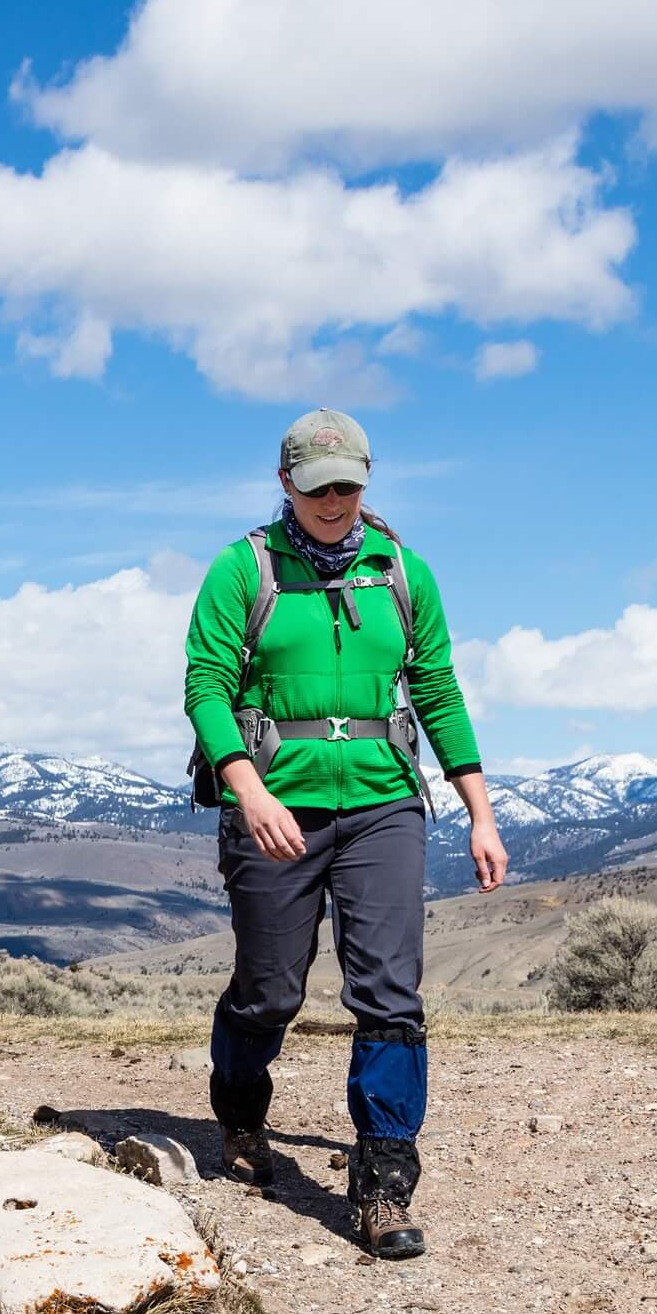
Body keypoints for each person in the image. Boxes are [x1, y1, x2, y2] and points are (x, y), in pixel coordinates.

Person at [182, 408, 508, 1259]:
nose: (334, 498)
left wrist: (480, 809)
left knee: (390, 995)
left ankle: (383, 1187)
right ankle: (241, 1116)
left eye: (349, 483)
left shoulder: (401, 571)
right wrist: (245, 788)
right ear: (285, 481)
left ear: (368, 480)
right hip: (274, 803)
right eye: (318, 482)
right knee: (269, 990)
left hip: (383, 802)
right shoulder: (242, 569)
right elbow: (207, 686)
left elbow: (436, 689)